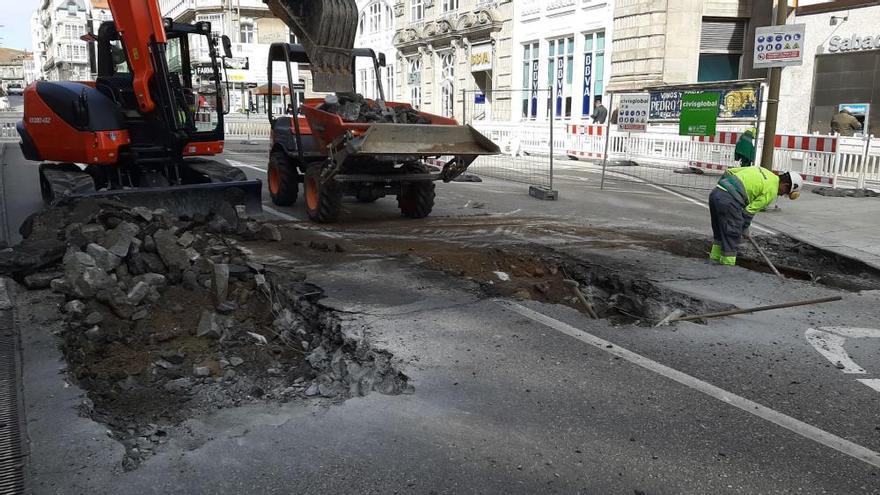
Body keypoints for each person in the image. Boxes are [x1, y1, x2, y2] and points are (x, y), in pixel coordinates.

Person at [708, 167, 803, 266]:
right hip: (729, 201)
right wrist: (744, 228)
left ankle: (713, 260)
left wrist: (723, 190)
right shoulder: (772, 191)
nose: (782, 194)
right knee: (733, 234)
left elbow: (729, 172)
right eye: (785, 193)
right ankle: (727, 267)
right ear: (785, 185)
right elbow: (749, 211)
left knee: (720, 232)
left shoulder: (763, 170)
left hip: (716, 193)